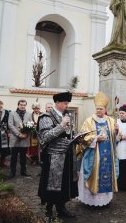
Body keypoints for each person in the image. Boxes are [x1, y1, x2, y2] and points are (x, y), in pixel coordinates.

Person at [37, 92, 78, 221]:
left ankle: (61, 208)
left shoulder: (67, 116)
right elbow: (45, 137)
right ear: (57, 103)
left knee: (65, 183)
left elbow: (70, 134)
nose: (67, 106)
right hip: (54, 157)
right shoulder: (46, 117)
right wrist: (61, 126)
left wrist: (77, 138)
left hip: (68, 155)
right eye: (65, 103)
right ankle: (48, 210)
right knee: (52, 184)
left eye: (68, 104)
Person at [76, 91, 119, 207]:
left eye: (101, 109)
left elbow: (115, 139)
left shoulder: (111, 121)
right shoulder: (89, 121)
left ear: (105, 109)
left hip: (108, 155)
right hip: (94, 155)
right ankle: (91, 201)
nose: (98, 110)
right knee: (93, 174)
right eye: (97, 108)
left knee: (107, 175)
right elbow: (82, 137)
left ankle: (104, 200)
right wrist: (95, 138)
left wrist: (116, 131)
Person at [8, 99, 32, 178]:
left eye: (24, 105)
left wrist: (26, 133)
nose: (22, 106)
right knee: (13, 157)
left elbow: (31, 124)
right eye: (21, 105)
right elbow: (10, 125)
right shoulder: (12, 113)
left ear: (26, 106)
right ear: (18, 105)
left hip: (25, 138)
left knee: (23, 157)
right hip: (15, 138)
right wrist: (18, 134)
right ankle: (12, 172)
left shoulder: (29, 114)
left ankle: (23, 171)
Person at [0, 101, 10, 167]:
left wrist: (9, 132)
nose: (0, 105)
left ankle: (2, 161)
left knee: (4, 147)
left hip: (4, 132)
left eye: (1, 104)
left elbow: (8, 122)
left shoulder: (6, 112)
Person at [26, 101, 42, 165]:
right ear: (33, 109)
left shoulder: (42, 114)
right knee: (33, 147)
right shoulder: (30, 115)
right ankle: (33, 160)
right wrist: (31, 125)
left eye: (37, 108)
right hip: (33, 134)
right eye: (35, 108)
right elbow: (27, 123)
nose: (36, 110)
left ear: (39, 108)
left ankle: (40, 159)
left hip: (40, 133)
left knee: (40, 146)